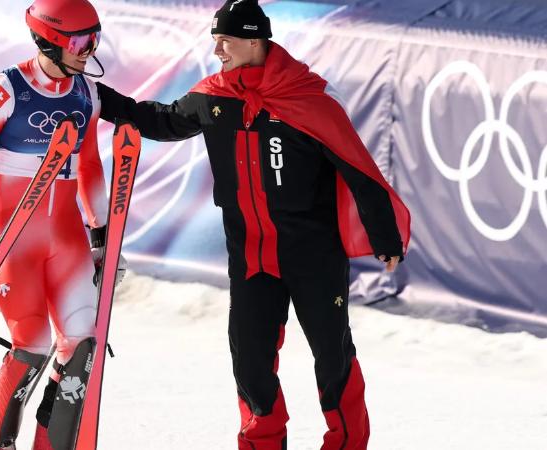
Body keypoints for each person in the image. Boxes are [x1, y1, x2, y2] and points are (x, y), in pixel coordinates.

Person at [95, 1, 411, 449]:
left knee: (332, 355)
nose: (218, 49)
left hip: (312, 256)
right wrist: (99, 98)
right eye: (214, 40)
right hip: (250, 255)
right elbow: (161, 121)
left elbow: (358, 169)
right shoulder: (213, 97)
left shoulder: (307, 99)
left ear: (254, 41)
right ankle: (262, 442)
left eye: (226, 40)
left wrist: (384, 236)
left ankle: (346, 442)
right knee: (250, 360)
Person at [0, 1, 124, 449]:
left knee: (82, 348)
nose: (90, 50)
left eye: (95, 39)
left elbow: (88, 167)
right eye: (81, 41)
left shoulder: (87, 93)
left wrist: (103, 237)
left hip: (66, 241)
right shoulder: (6, 90)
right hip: (12, 243)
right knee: (33, 345)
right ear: (49, 40)